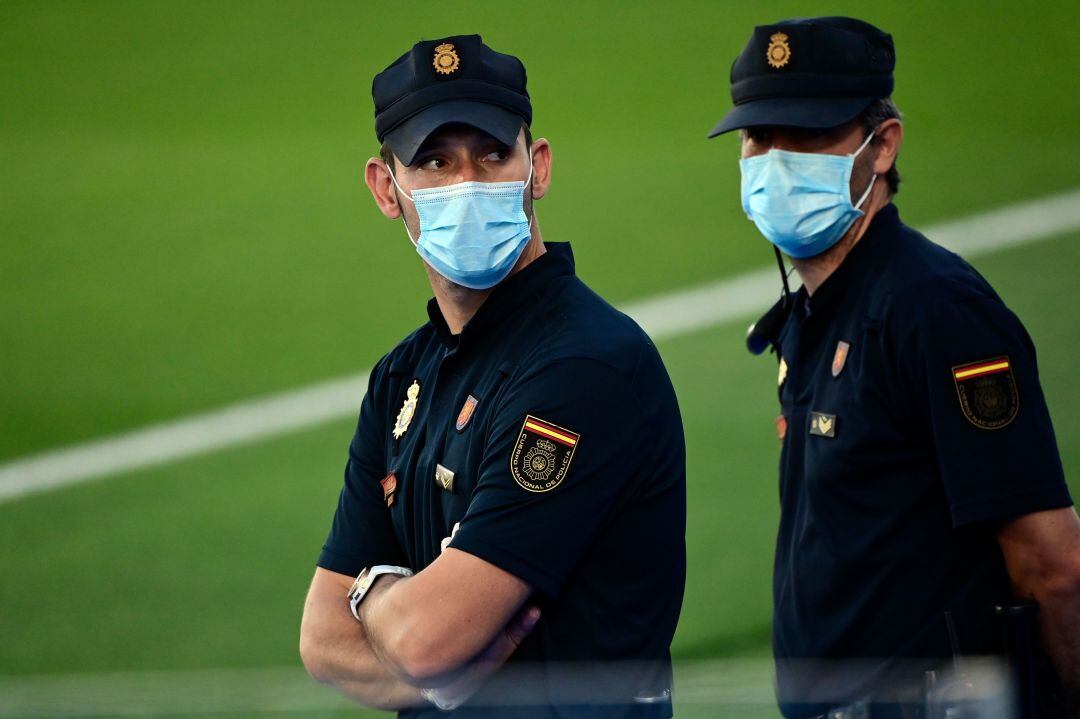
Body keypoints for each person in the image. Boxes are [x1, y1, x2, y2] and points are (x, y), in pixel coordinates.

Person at [299, 34, 686, 719]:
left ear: (537, 167)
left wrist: (373, 594)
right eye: (436, 163)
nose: (467, 185)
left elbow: (426, 641)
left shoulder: (585, 366)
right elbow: (321, 641)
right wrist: (419, 635)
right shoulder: (401, 378)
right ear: (386, 188)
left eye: (491, 155)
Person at [708, 16, 1080, 718]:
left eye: (808, 133)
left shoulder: (936, 312)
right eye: (759, 137)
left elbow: (1052, 563)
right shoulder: (820, 311)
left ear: (883, 146)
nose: (775, 159)